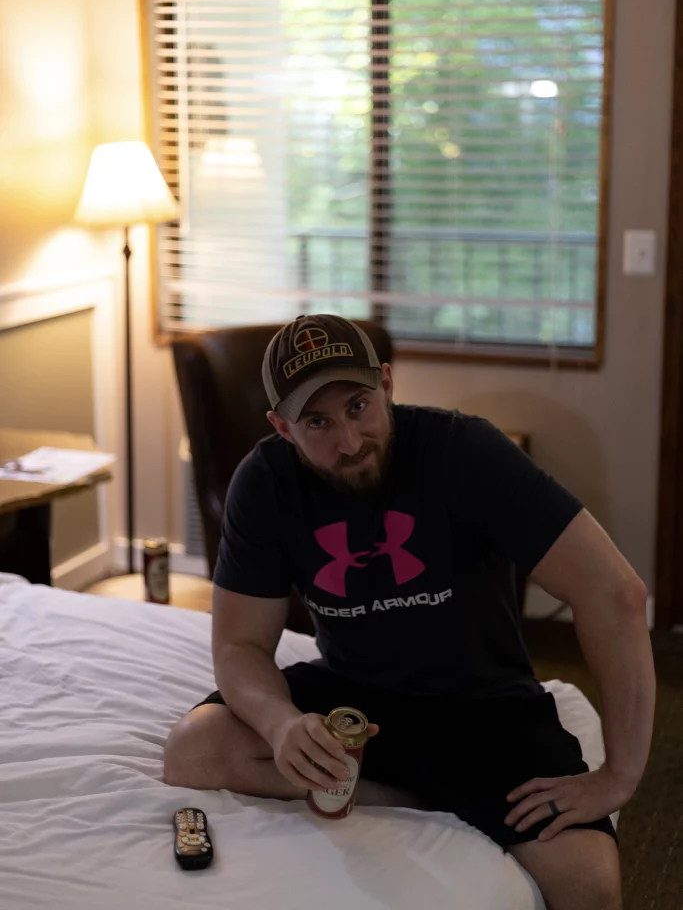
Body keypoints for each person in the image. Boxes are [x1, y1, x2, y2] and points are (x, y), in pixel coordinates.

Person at [164, 314, 655, 910]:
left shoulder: (463, 451)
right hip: (356, 703)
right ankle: (418, 796)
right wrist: (280, 724)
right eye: (316, 421)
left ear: (388, 383)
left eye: (358, 406)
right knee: (194, 749)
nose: (348, 441)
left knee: (590, 885)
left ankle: (425, 791)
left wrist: (620, 778)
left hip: (484, 707)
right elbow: (239, 645)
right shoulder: (264, 485)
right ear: (282, 427)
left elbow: (616, 594)